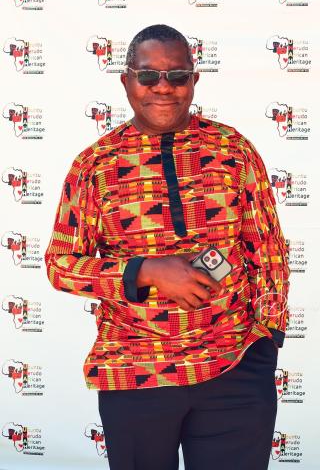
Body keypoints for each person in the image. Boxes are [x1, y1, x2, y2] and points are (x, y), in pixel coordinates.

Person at [44, 24, 290, 470]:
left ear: (194, 81)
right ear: (126, 81)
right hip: (136, 370)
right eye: (148, 75)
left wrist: (268, 335)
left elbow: (267, 247)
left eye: (177, 76)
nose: (163, 87)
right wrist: (145, 270)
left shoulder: (233, 150)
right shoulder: (94, 165)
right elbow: (61, 265)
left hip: (234, 365)